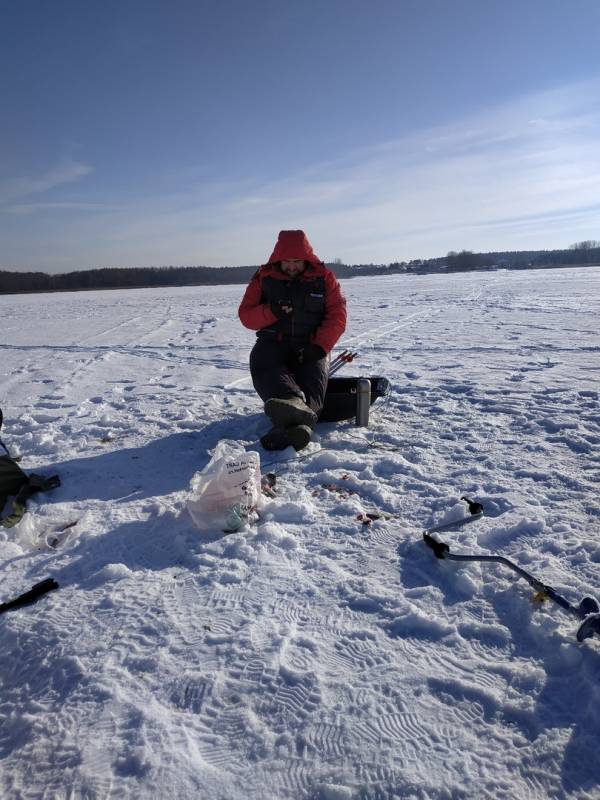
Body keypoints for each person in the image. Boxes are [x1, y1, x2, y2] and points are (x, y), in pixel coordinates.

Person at [238, 230, 347, 451]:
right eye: (287, 261)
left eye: (297, 261)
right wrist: (272, 311)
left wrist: (319, 347)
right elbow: (246, 315)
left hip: (310, 344)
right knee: (262, 361)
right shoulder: (264, 277)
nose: (291, 266)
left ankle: (290, 427)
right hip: (273, 343)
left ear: (306, 259)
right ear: (278, 259)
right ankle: (292, 403)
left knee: (315, 382)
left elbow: (337, 315)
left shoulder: (324, 278)